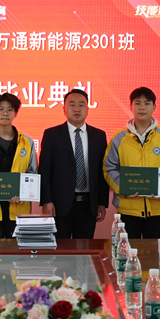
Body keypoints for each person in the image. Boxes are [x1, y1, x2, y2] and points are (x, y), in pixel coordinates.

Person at [104, 87, 160, 239]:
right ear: (131, 106)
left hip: (157, 209)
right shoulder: (119, 138)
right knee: (127, 251)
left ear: (154, 106)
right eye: (137, 103)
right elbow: (109, 168)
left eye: (147, 103)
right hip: (128, 209)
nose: (142, 107)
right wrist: (123, 189)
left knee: (154, 252)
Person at [40, 89, 109, 238]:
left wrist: (102, 202)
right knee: (60, 248)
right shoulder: (52, 134)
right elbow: (45, 170)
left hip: (88, 205)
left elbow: (101, 171)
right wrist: (47, 201)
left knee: (84, 248)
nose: (77, 109)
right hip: (59, 204)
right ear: (64, 109)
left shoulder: (99, 136)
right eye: (72, 105)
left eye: (81, 105)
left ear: (88, 109)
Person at [0, 93, 37, 239]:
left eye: (10, 109)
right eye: (0, 109)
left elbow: (32, 172)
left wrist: (23, 193)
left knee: (16, 252)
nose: (5, 113)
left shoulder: (26, 142)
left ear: (15, 113)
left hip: (18, 209)